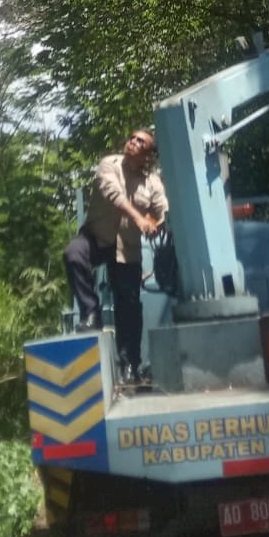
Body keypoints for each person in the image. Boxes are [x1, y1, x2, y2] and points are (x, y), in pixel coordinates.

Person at [64, 129, 168, 386]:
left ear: (148, 155)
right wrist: (139, 218)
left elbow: (162, 210)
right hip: (98, 238)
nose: (133, 142)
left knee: (129, 307)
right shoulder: (108, 165)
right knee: (73, 254)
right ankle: (91, 313)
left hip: (128, 248)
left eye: (140, 141)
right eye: (132, 138)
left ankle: (130, 366)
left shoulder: (153, 182)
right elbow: (115, 197)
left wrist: (157, 223)